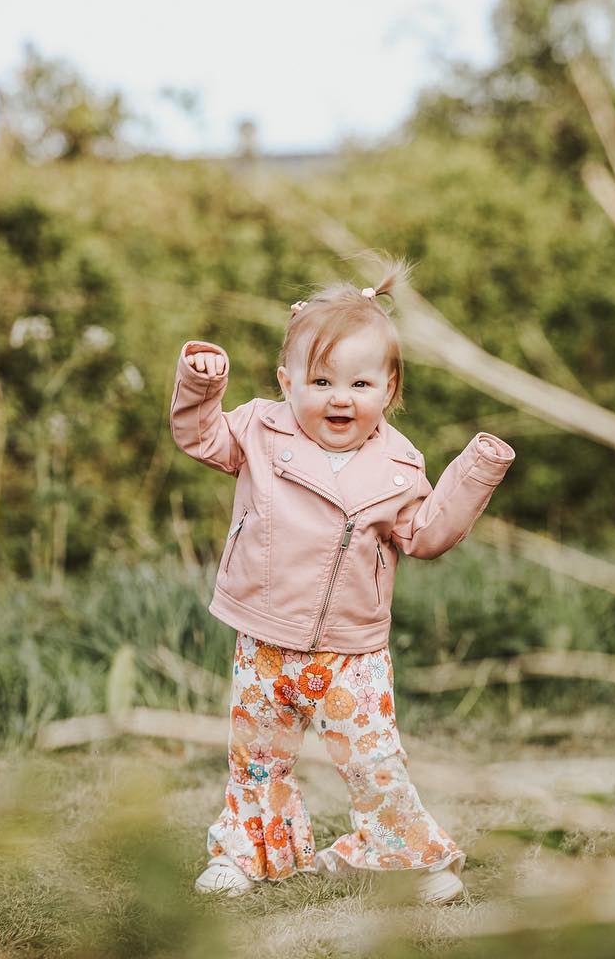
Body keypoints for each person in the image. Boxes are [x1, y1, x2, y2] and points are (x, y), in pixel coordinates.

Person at [169, 259, 516, 904]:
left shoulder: (400, 467)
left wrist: (474, 472)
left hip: (349, 649)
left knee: (371, 759)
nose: (338, 397)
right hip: (265, 633)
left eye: (359, 382)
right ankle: (247, 852)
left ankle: (405, 856)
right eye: (320, 380)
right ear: (286, 381)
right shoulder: (258, 431)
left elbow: (428, 536)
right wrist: (200, 384)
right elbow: (199, 436)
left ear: (389, 388)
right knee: (257, 756)